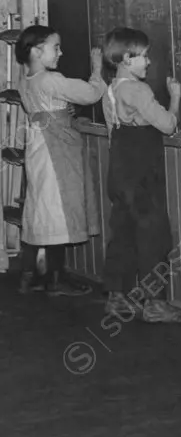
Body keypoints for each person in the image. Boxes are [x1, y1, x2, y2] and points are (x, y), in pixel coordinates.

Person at [101, 27, 181, 324]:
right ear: (127, 58)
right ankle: (155, 303)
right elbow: (167, 125)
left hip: (120, 166)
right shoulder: (138, 89)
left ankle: (116, 296)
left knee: (123, 232)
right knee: (154, 234)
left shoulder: (111, 88)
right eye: (144, 56)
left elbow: (114, 133)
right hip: (142, 169)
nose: (148, 62)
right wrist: (175, 97)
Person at [15, 26, 106, 297]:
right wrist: (97, 69)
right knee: (57, 211)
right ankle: (55, 278)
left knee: (44, 210)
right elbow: (91, 94)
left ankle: (36, 275)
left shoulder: (26, 80)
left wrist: (65, 113)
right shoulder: (50, 79)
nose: (61, 52)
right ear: (36, 50)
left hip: (39, 149)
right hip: (55, 153)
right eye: (56, 47)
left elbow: (53, 110)